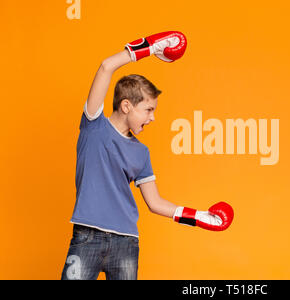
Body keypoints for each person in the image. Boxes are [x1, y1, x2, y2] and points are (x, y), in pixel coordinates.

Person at [61, 31, 234, 280]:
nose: (153, 117)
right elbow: (106, 67)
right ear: (126, 105)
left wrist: (199, 217)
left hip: (127, 243)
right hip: (88, 236)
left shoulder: (141, 152)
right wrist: (149, 48)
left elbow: (155, 203)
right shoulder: (94, 125)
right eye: (148, 109)